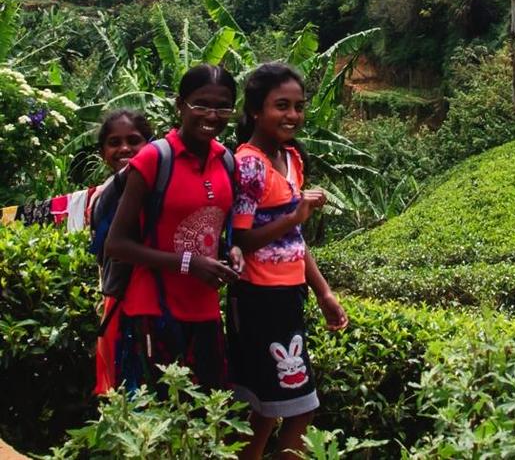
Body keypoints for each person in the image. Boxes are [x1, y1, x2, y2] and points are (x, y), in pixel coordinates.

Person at [228, 62, 349, 460]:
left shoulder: (291, 158)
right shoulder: (250, 163)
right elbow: (241, 239)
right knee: (302, 407)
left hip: (287, 295)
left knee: (265, 410)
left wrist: (324, 293)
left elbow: (293, 241)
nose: (293, 115)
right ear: (255, 111)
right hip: (261, 299)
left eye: (299, 106)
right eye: (282, 105)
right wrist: (294, 216)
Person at [105, 64, 242, 392]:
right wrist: (187, 263)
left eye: (223, 107)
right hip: (154, 311)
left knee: (208, 420)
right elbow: (117, 244)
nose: (212, 115)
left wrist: (232, 251)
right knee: (158, 421)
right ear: (180, 105)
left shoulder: (227, 161)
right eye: (201, 105)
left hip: (206, 313)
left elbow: (212, 231)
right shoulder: (154, 159)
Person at [90, 109, 153, 394]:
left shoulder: (158, 187)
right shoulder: (105, 196)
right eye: (114, 142)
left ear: (149, 145)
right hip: (123, 301)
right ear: (103, 151)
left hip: (159, 300)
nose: (124, 148)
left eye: (134, 140)